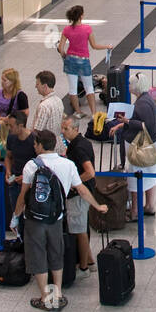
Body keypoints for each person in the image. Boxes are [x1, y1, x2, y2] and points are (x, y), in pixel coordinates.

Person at [11, 128, 106, 311]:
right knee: (56, 254)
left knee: (37, 255)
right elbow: (82, 190)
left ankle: (45, 297)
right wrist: (97, 206)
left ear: (39, 146)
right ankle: (59, 294)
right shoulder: (68, 164)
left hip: (34, 219)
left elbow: (23, 195)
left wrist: (15, 217)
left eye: (35, 143)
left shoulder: (31, 166)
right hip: (56, 218)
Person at [58, 5, 111, 120]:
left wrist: (64, 55)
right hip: (83, 61)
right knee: (89, 87)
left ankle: (78, 112)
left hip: (70, 60)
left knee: (72, 88)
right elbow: (94, 46)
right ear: (81, 16)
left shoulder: (66, 30)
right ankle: (94, 113)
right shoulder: (87, 29)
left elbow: (60, 48)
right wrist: (107, 46)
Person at [61, 114, 97, 271]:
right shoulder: (78, 143)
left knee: (79, 231)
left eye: (66, 129)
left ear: (75, 129)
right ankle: (89, 259)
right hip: (83, 193)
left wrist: (73, 183)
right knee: (81, 227)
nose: (63, 131)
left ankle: (83, 267)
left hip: (80, 195)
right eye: (62, 128)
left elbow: (90, 172)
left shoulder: (79, 148)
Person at [109, 72, 156, 180]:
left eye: (129, 83)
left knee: (147, 172)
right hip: (151, 140)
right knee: (150, 171)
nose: (128, 85)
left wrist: (127, 121)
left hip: (147, 143)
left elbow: (146, 125)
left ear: (136, 86)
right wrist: (120, 125)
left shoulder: (143, 103)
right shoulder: (144, 98)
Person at [3, 112, 36, 224]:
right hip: (15, 181)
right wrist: (8, 171)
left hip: (30, 184)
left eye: (11, 126)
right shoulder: (11, 138)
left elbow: (41, 164)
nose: (9, 129)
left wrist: (25, 177)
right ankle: (19, 236)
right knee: (16, 211)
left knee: (29, 214)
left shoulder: (34, 140)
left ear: (21, 125)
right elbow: (8, 156)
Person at [29, 70, 65, 140]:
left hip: (45, 145)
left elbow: (37, 130)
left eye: (38, 84)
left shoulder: (44, 106)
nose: (36, 86)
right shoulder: (59, 100)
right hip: (56, 141)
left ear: (45, 86)